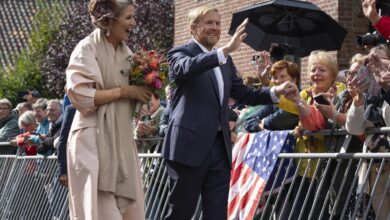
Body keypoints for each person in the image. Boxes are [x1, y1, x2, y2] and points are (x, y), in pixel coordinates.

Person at [162, 5, 296, 219]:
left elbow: (243, 93)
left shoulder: (225, 62)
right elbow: (187, 68)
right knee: (181, 213)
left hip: (219, 148)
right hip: (188, 148)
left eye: (217, 23)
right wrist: (224, 51)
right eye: (209, 23)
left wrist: (274, 91)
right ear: (193, 28)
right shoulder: (180, 53)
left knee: (217, 214)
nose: (214, 28)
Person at [65, 1, 152, 219]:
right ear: (109, 21)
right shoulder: (86, 48)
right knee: (102, 211)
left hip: (121, 139)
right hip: (91, 140)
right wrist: (124, 92)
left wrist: (147, 95)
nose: (133, 23)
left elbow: (138, 100)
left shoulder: (129, 54)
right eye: (128, 17)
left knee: (129, 212)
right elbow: (80, 97)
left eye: (133, 17)